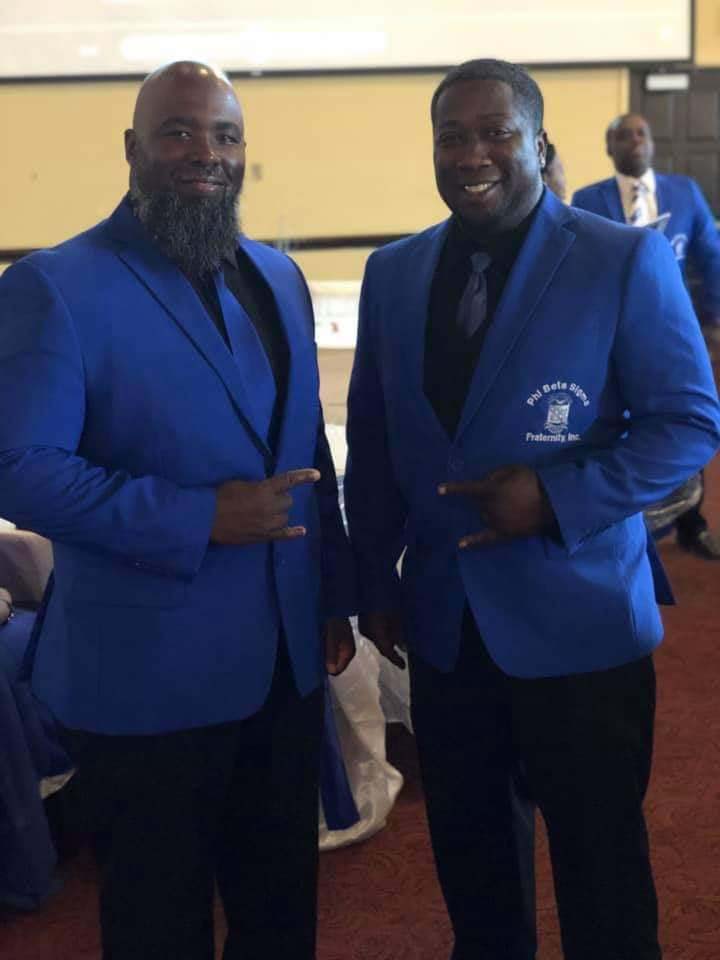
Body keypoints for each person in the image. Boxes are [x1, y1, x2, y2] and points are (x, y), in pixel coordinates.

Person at [344, 58, 720, 960]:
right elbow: (377, 442)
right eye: (452, 136)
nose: (472, 153)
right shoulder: (392, 273)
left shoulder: (619, 258)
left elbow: (687, 423)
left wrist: (555, 497)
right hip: (445, 627)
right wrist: (373, 584)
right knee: (474, 868)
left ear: (538, 142)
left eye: (496, 133)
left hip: (581, 619)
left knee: (602, 870)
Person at [0, 61, 356, 960]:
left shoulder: (278, 276)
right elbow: (19, 469)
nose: (206, 153)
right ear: (133, 148)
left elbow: (307, 453)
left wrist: (332, 595)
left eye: (225, 136)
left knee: (281, 914)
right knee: (158, 926)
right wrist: (197, 517)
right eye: (179, 132)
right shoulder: (55, 284)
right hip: (145, 676)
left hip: (282, 666)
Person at [572, 112, 720, 559]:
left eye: (641, 133)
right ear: (609, 147)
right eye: (623, 135)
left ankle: (692, 523)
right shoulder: (588, 199)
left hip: (674, 333)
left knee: (684, 420)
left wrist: (712, 320)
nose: (634, 141)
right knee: (621, 424)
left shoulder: (684, 192)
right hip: (611, 334)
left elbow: (711, 256)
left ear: (653, 143)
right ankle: (634, 526)